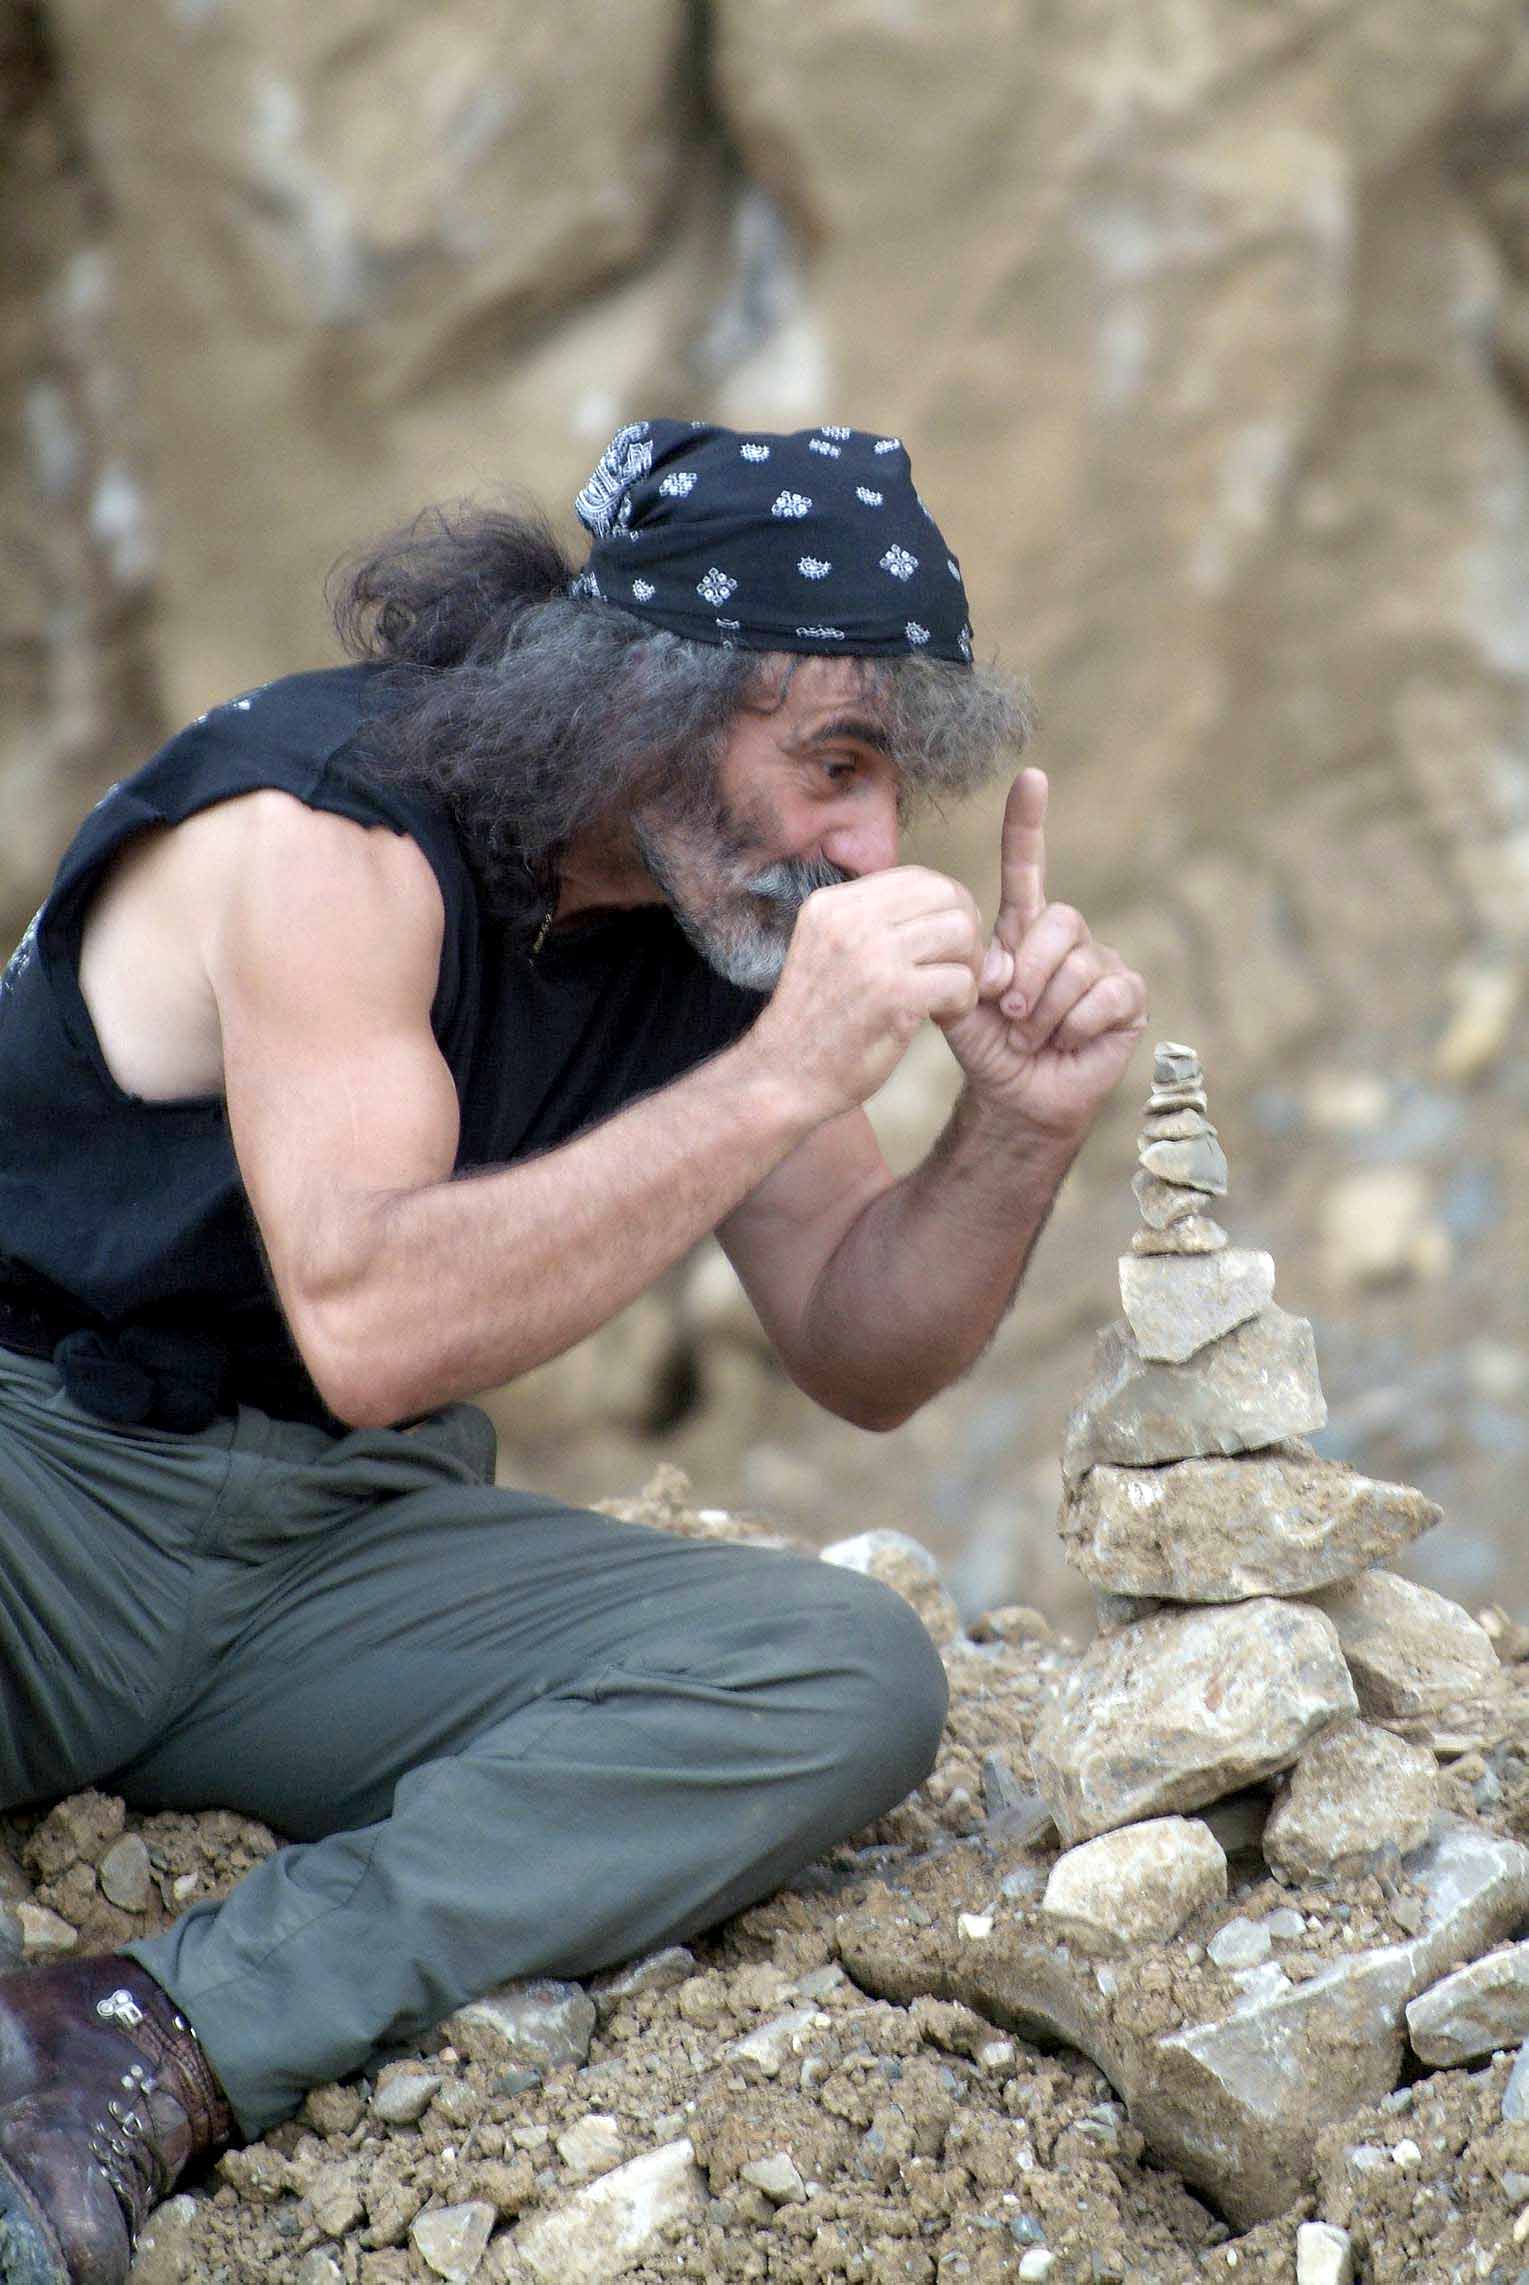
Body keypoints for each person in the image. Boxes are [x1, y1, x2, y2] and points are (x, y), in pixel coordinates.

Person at [0, 419, 1146, 2280]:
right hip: (41, 1488)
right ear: (649, 697)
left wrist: (1014, 1125)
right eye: (835, 765)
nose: (867, 845)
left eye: (891, 786)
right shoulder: (325, 832)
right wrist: (783, 1073)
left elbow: (860, 1343)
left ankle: (137, 2033)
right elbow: (371, 1319)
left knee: (839, 1673)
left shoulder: (705, 928)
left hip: (327, 1551)